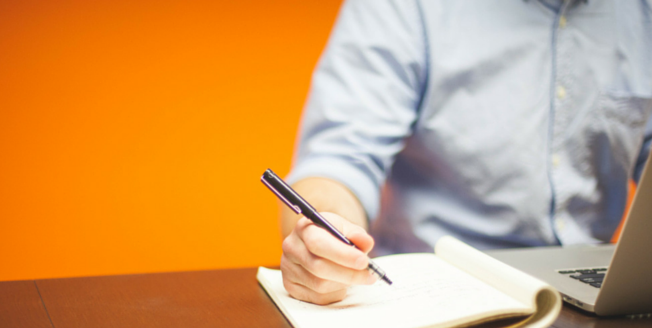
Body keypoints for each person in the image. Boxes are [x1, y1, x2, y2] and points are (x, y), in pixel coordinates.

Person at [279, 0, 652, 305]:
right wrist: (324, 237)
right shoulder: (406, 8)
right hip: (432, 299)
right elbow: (339, 159)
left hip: (602, 302)